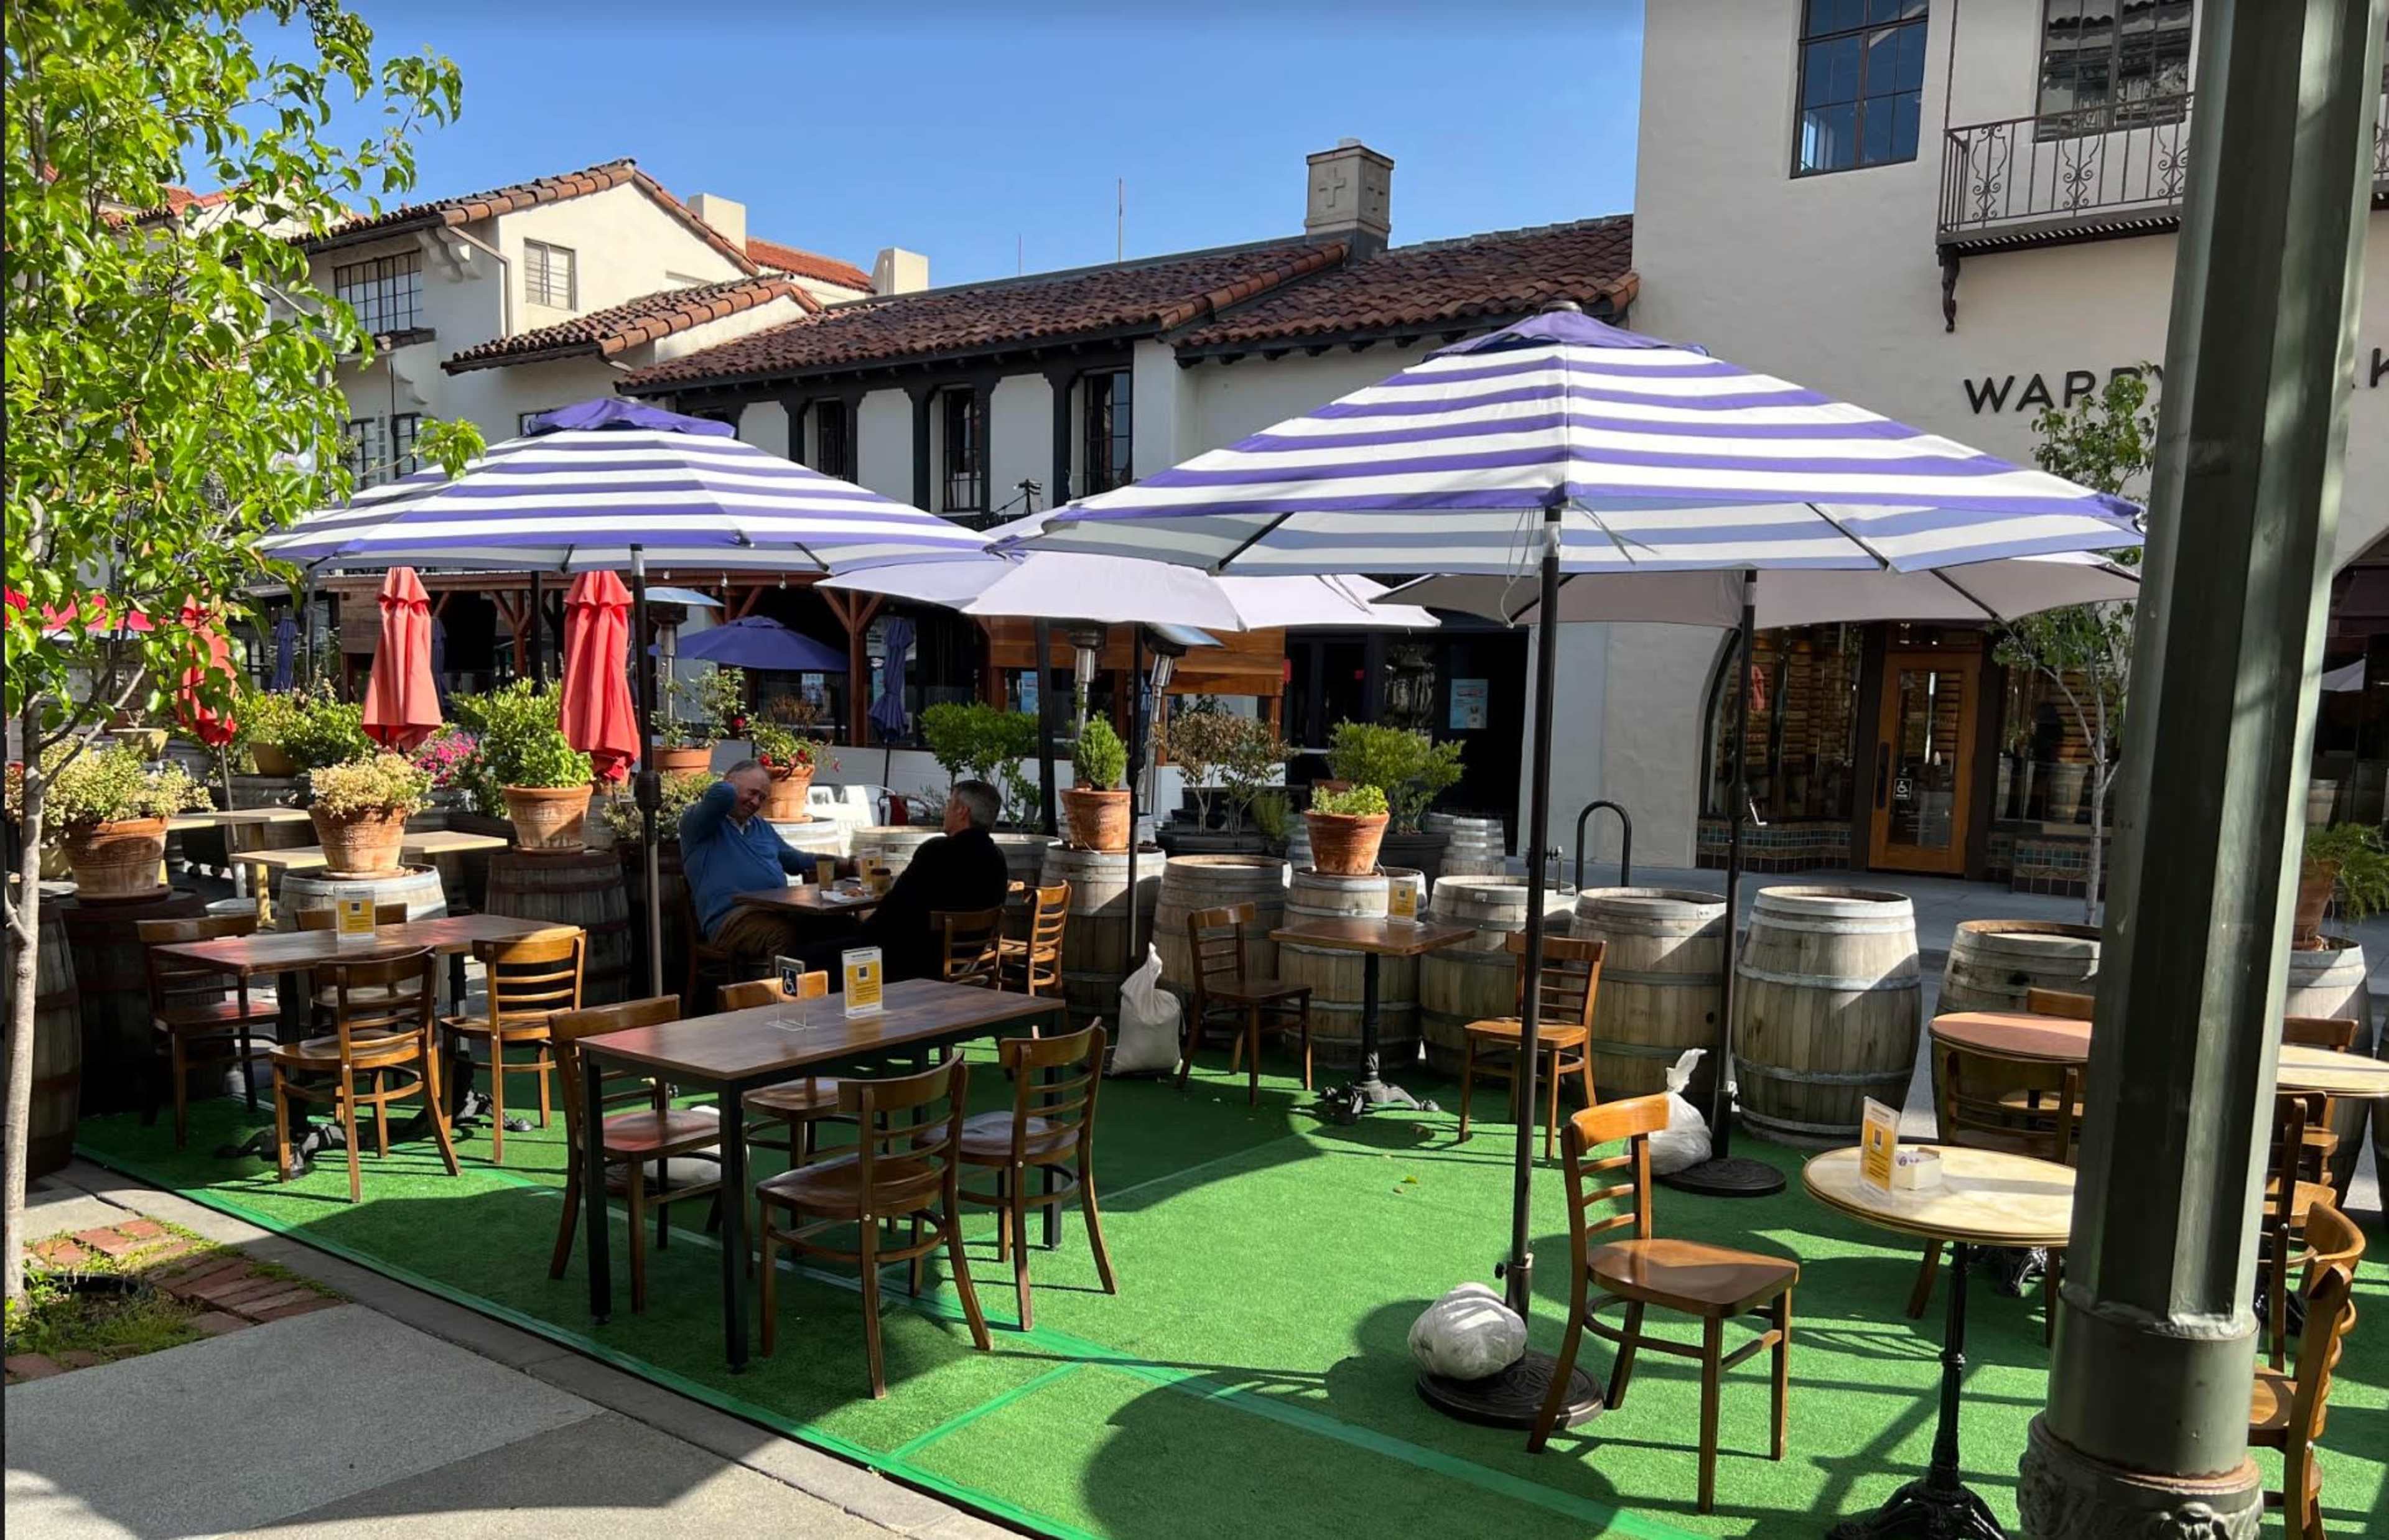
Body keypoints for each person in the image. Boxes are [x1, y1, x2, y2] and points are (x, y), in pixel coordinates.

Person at [852, 779, 1012, 983]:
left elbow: (892, 913)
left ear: (962, 811)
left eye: (949, 804)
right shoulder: (997, 860)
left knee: (813, 953)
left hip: (909, 964)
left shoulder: (936, 852)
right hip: (966, 962)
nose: (945, 811)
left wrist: (861, 923)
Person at [681, 760, 834, 966]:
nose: (755, 802)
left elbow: (794, 859)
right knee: (782, 934)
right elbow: (722, 794)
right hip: (730, 920)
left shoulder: (760, 827)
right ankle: (776, 996)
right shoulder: (699, 823)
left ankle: (826, 992)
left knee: (837, 926)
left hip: (776, 910)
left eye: (762, 798)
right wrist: (731, 786)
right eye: (751, 793)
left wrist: (843, 863)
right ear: (730, 782)